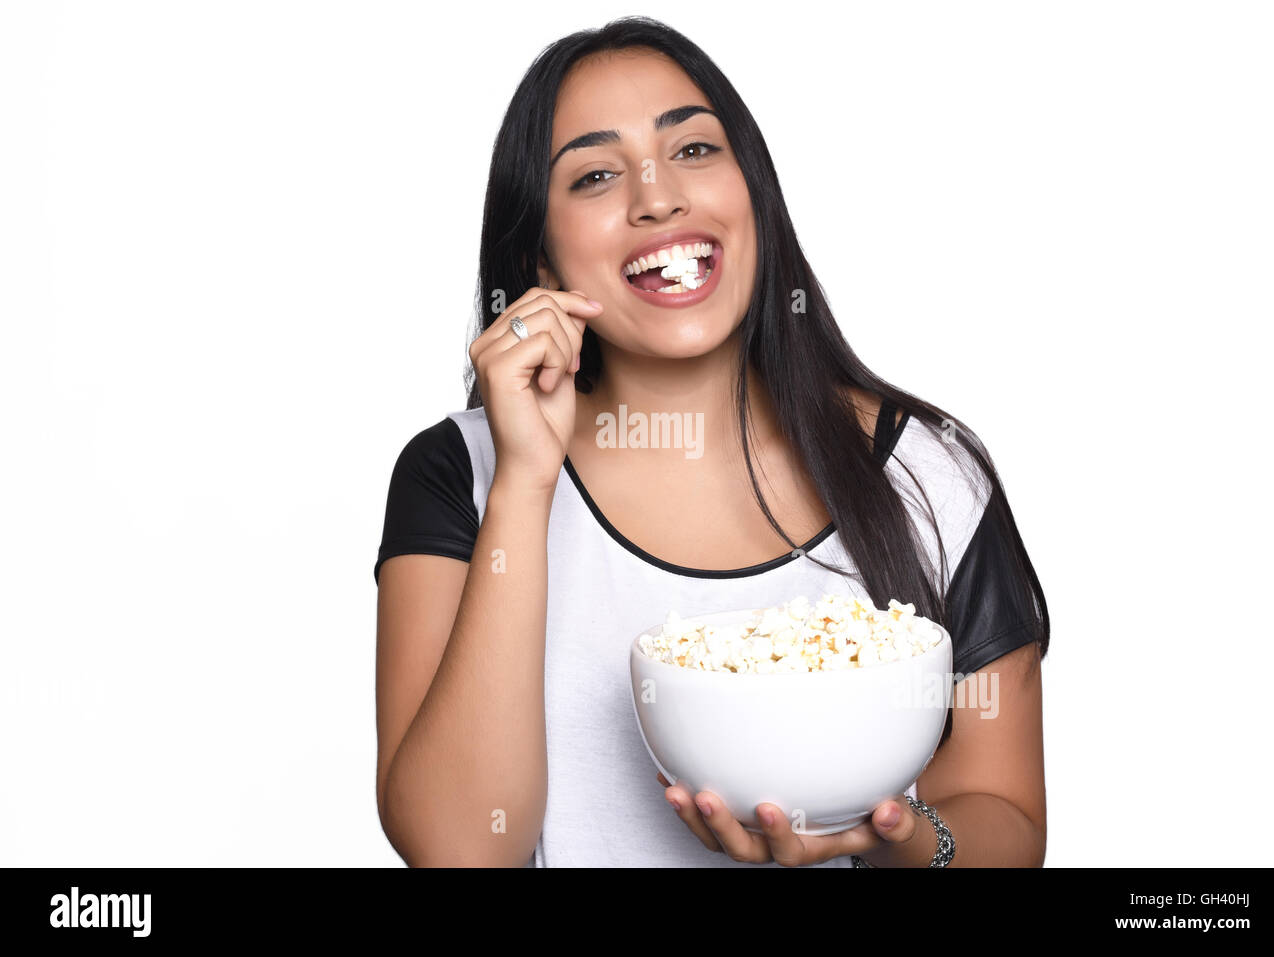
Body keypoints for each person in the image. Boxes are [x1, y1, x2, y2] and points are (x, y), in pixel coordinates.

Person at [374, 17, 1049, 868]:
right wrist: (524, 482)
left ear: (753, 193)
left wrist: (897, 839)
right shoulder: (459, 475)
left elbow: (1008, 823)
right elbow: (462, 850)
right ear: (541, 263)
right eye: (594, 174)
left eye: (693, 150)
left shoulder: (927, 475)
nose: (657, 197)